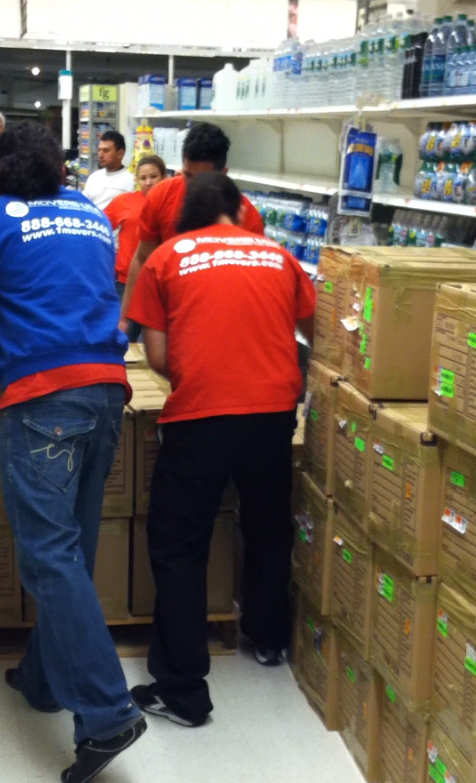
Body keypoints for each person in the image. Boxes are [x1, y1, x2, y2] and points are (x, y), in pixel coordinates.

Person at [0, 122, 146, 783]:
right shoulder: (90, 215)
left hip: (45, 402)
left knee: (48, 555)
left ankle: (108, 714)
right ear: (61, 173)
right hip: (107, 391)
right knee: (71, 549)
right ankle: (43, 680)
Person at [126, 173, 315, 727]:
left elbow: (157, 356)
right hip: (272, 415)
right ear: (238, 211)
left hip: (200, 417)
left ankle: (183, 689)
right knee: (267, 526)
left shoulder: (167, 258)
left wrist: (205, 372)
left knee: (179, 545)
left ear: (186, 213)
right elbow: (311, 331)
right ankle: (268, 637)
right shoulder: (279, 256)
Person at [120, 122, 265, 324]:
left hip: (217, 315)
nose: (194, 186)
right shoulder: (161, 196)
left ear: (223, 174)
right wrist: (125, 320)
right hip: (165, 309)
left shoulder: (247, 217)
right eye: (188, 175)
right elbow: (143, 258)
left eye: (203, 178)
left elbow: (252, 287)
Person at [104, 154, 167, 341]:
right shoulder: (124, 202)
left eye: (153, 176)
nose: (148, 182)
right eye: (143, 178)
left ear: (164, 177)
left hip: (158, 287)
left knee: (152, 344)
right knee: (122, 339)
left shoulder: (172, 205)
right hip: (126, 284)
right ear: (136, 180)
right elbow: (100, 226)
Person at [83, 130, 134, 209]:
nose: (100, 155)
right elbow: (84, 204)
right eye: (99, 150)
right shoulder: (93, 177)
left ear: (120, 153)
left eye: (106, 151)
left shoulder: (131, 180)